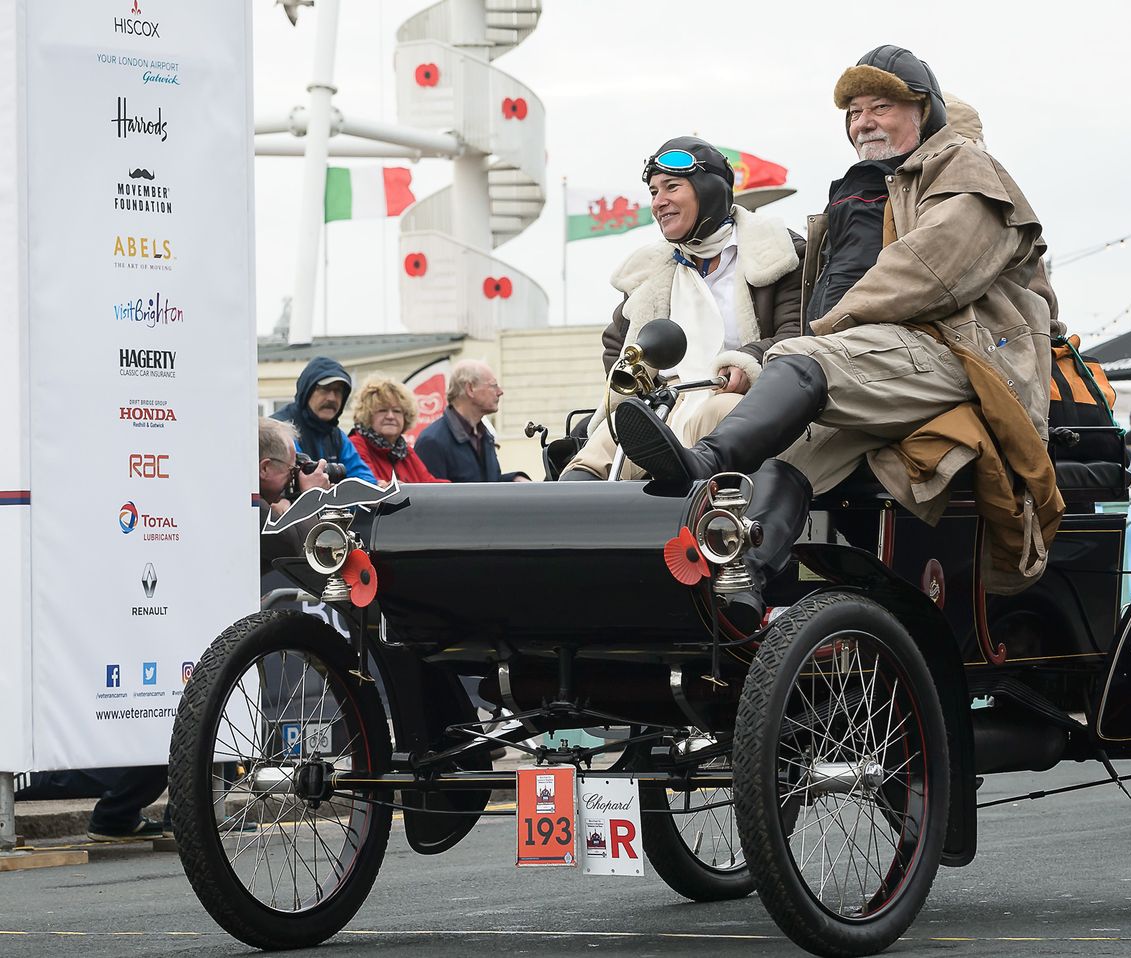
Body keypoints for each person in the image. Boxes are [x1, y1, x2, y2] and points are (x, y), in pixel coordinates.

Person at [613, 45, 1064, 630]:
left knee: (802, 358)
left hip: (968, 357)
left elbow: (927, 272)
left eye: (880, 107)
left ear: (924, 110)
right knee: (788, 453)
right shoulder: (890, 185)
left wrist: (817, 340)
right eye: (854, 112)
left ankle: (702, 461)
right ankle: (746, 586)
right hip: (904, 358)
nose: (863, 122)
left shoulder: (966, 168)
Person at [559, 136, 804, 480]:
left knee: (720, 412)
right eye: (653, 192)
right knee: (595, 453)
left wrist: (747, 362)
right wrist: (646, 388)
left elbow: (799, 335)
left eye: (671, 187)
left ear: (709, 190)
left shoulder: (778, 251)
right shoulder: (648, 272)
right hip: (665, 405)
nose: (658, 202)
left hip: (740, 402)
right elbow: (617, 348)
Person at [414, 360, 529, 483]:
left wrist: (514, 479)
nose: (500, 392)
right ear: (470, 389)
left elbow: (486, 484)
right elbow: (432, 494)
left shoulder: (483, 435)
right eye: (493, 385)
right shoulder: (432, 442)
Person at [269, 356, 376, 484]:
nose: (332, 398)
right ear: (307, 391)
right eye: (325, 389)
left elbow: (364, 479)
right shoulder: (280, 429)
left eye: (338, 391)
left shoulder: (336, 436)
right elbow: (287, 483)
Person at [259, 417, 331, 575]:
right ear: (265, 468)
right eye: (292, 471)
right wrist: (311, 496)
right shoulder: (247, 502)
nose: (293, 479)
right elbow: (299, 549)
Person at [348, 376, 445, 483]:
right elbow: (368, 484)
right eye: (382, 410)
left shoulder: (405, 451)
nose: (390, 416)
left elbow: (429, 483)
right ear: (367, 415)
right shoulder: (356, 444)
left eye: (397, 411)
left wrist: (457, 487)